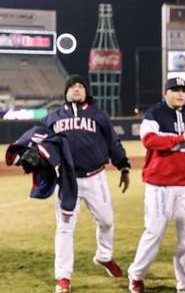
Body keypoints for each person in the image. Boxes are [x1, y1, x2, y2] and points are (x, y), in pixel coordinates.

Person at [42, 75, 131, 293]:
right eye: (72, 86)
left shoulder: (97, 115)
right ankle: (63, 278)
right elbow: (43, 147)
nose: (77, 88)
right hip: (67, 181)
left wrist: (123, 165)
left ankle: (104, 256)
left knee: (107, 221)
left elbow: (112, 142)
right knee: (64, 228)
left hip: (95, 177)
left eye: (81, 86)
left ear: (86, 92)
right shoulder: (52, 118)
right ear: (65, 92)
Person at [127, 77, 185, 293]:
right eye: (175, 90)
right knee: (154, 233)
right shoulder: (154, 114)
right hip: (160, 186)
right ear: (165, 92)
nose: (180, 94)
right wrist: (181, 137)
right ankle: (136, 275)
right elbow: (149, 140)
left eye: (184, 90)